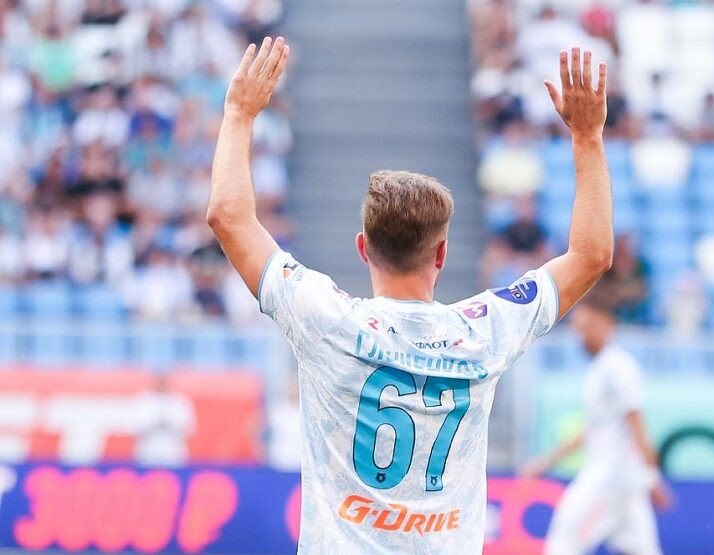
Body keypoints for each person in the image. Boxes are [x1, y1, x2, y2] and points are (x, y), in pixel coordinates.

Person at [209, 38, 614, 553]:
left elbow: (228, 217)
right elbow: (592, 255)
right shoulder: (486, 329)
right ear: (441, 254)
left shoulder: (326, 318)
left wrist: (239, 113)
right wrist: (587, 137)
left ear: (363, 247)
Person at [521, 300, 671, 555]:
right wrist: (546, 461)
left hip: (607, 478)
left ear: (608, 324)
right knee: (640, 549)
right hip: (625, 480)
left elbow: (636, 422)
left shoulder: (617, 366)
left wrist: (652, 477)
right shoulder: (600, 368)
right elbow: (592, 430)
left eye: (588, 327)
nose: (582, 336)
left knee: (563, 544)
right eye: (578, 329)